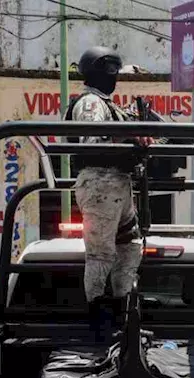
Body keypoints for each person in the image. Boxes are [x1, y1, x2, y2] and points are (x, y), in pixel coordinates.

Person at [66, 46, 145, 332]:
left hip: (117, 184)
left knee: (129, 247)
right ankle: (98, 318)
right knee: (101, 254)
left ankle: (122, 313)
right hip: (101, 181)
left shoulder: (106, 103)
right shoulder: (90, 103)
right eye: (110, 70)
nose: (114, 77)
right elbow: (93, 140)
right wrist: (129, 139)